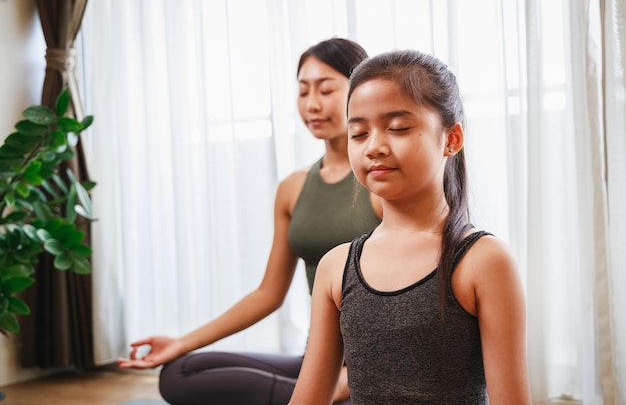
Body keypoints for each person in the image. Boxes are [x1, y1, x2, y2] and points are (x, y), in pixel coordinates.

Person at [116, 38, 382, 405]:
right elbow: (268, 294)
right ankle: (325, 395)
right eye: (303, 91)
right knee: (179, 372)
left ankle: (345, 392)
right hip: (320, 357)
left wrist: (354, 376)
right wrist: (180, 342)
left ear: (360, 91)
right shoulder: (293, 188)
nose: (312, 104)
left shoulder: (379, 181)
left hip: (370, 362)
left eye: (326, 89)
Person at [288, 50, 533, 405]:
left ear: (451, 139)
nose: (374, 147)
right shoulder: (335, 267)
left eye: (398, 128)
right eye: (358, 133)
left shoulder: (484, 261)